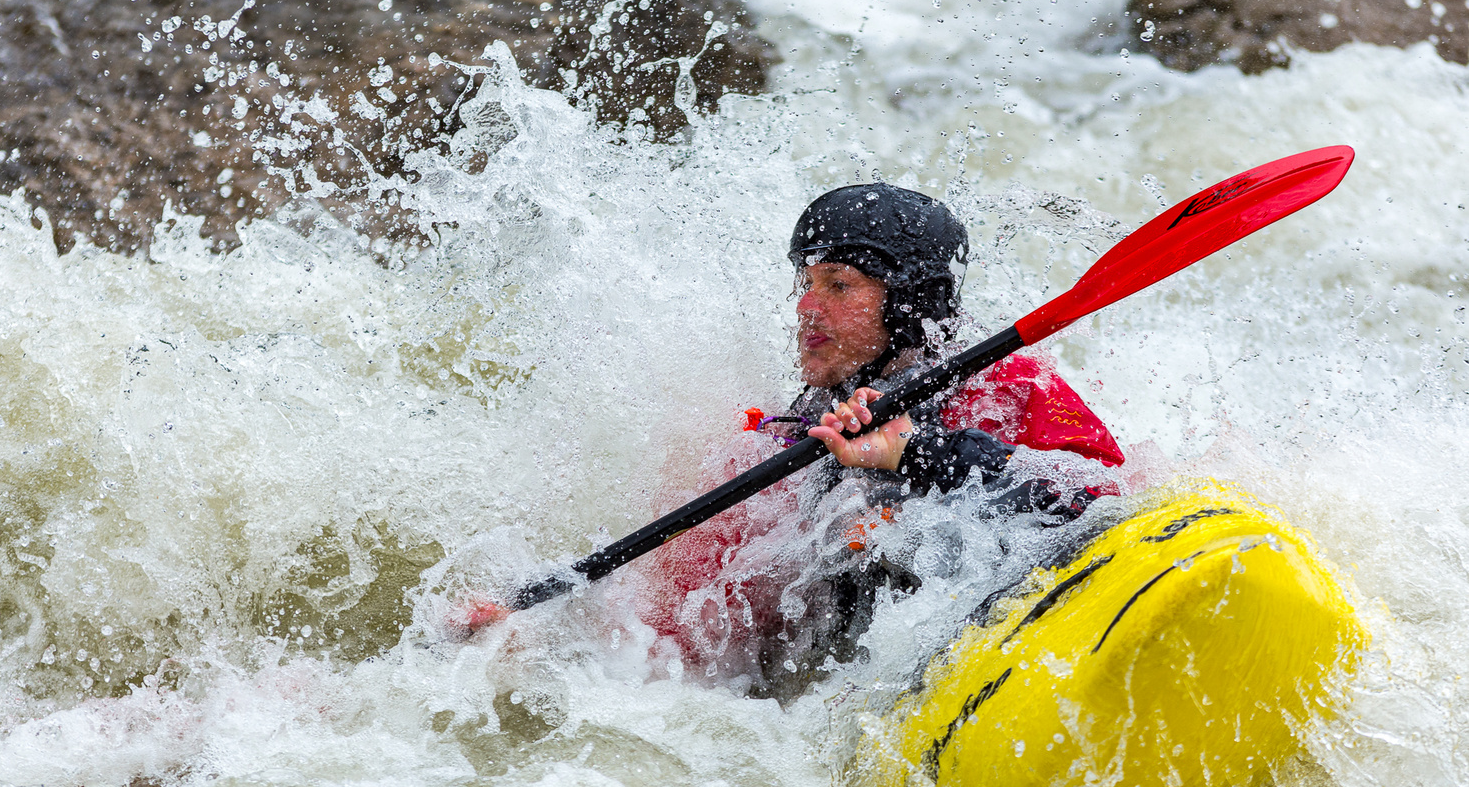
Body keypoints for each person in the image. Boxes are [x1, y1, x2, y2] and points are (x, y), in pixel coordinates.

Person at [471, 184, 1124, 701]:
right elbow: (685, 645)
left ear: (908, 304)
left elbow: (1107, 512)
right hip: (865, 690)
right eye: (804, 283)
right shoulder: (781, 444)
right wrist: (541, 640)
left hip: (1015, 635)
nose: (807, 308)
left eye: (838, 285)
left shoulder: (1010, 387)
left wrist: (918, 453)